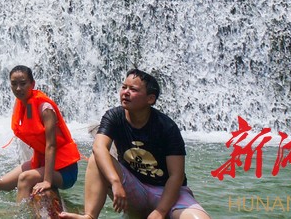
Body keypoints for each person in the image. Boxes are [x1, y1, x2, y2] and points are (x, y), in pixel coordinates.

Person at [59, 70, 211, 219]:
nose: (125, 92)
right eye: (124, 87)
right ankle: (90, 216)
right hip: (133, 189)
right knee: (96, 157)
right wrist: (115, 182)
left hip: (167, 194)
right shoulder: (114, 116)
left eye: (133, 89)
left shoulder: (166, 127)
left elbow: (176, 176)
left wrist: (160, 211)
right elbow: (99, 147)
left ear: (150, 99)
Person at [0, 66, 82, 205]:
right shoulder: (24, 104)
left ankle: (18, 214)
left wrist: (47, 181)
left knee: (24, 178)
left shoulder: (45, 108)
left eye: (23, 83)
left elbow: (51, 145)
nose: (18, 88)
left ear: (32, 84)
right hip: (42, 163)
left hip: (64, 170)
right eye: (14, 84)